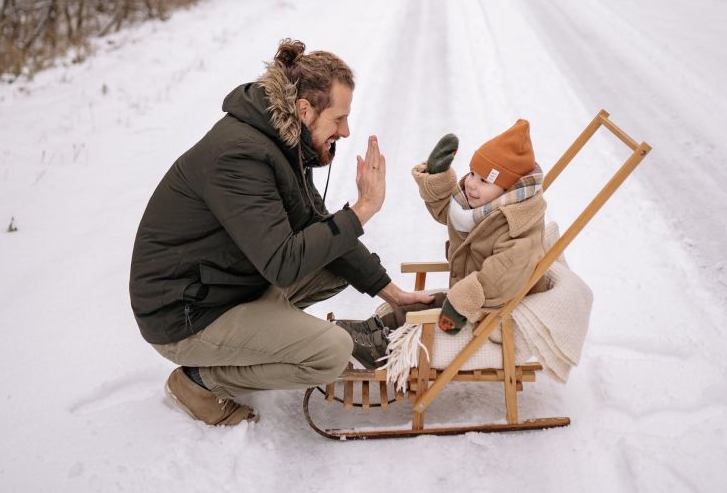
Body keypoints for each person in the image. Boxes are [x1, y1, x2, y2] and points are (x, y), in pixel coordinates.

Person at [129, 38, 432, 426]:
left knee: (333, 259)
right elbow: (282, 264)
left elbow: (317, 226)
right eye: (338, 118)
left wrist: (393, 292)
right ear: (304, 109)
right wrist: (362, 210)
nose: (346, 130)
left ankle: (267, 333)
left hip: (224, 285)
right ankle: (197, 381)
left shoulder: (283, 140)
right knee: (330, 353)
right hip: (184, 314)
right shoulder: (240, 155)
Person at [410, 119, 549, 335]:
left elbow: (501, 277)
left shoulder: (518, 226)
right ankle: (367, 334)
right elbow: (449, 213)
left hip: (487, 316)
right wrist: (437, 177)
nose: (471, 183)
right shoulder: (484, 208)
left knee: (415, 318)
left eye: (484, 180)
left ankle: (378, 344)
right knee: (406, 310)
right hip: (465, 301)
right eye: (473, 173)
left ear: (508, 189)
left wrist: (460, 304)